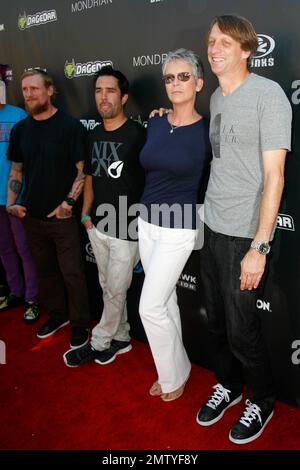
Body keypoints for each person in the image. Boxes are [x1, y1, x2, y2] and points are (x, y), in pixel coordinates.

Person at [196, 15, 292, 444]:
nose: (213, 49)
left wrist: (259, 246)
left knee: (242, 329)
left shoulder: (268, 95)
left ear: (247, 50)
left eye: (223, 43)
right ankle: (230, 387)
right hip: (211, 228)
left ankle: (263, 400)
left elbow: (276, 178)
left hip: (243, 238)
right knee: (215, 323)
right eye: (211, 42)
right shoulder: (215, 97)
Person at [138, 48, 210, 402]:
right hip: (146, 223)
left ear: (198, 82)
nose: (176, 83)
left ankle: (172, 378)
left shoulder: (208, 130)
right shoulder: (155, 121)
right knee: (164, 303)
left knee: (148, 307)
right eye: (170, 77)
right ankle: (177, 371)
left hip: (180, 228)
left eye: (184, 76)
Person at [63, 66, 146, 367]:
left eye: (110, 90)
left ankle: (98, 342)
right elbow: (90, 177)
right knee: (108, 286)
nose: (103, 96)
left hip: (126, 227)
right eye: (98, 90)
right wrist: (85, 214)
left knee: (115, 289)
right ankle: (121, 337)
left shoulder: (138, 135)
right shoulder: (94, 133)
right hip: (97, 224)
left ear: (123, 97)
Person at [7, 68, 90, 348]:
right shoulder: (20, 130)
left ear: (50, 90)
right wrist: (11, 203)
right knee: (46, 271)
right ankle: (58, 315)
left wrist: (68, 203)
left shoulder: (70, 127)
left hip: (62, 217)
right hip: (31, 215)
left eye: (34, 88)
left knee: (72, 273)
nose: (28, 94)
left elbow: (82, 172)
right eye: (25, 90)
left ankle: (80, 324)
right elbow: (16, 171)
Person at [0, 64, 40, 322]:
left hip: (17, 198)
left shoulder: (19, 116)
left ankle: (33, 297)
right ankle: (15, 291)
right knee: (4, 249)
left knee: (25, 249)